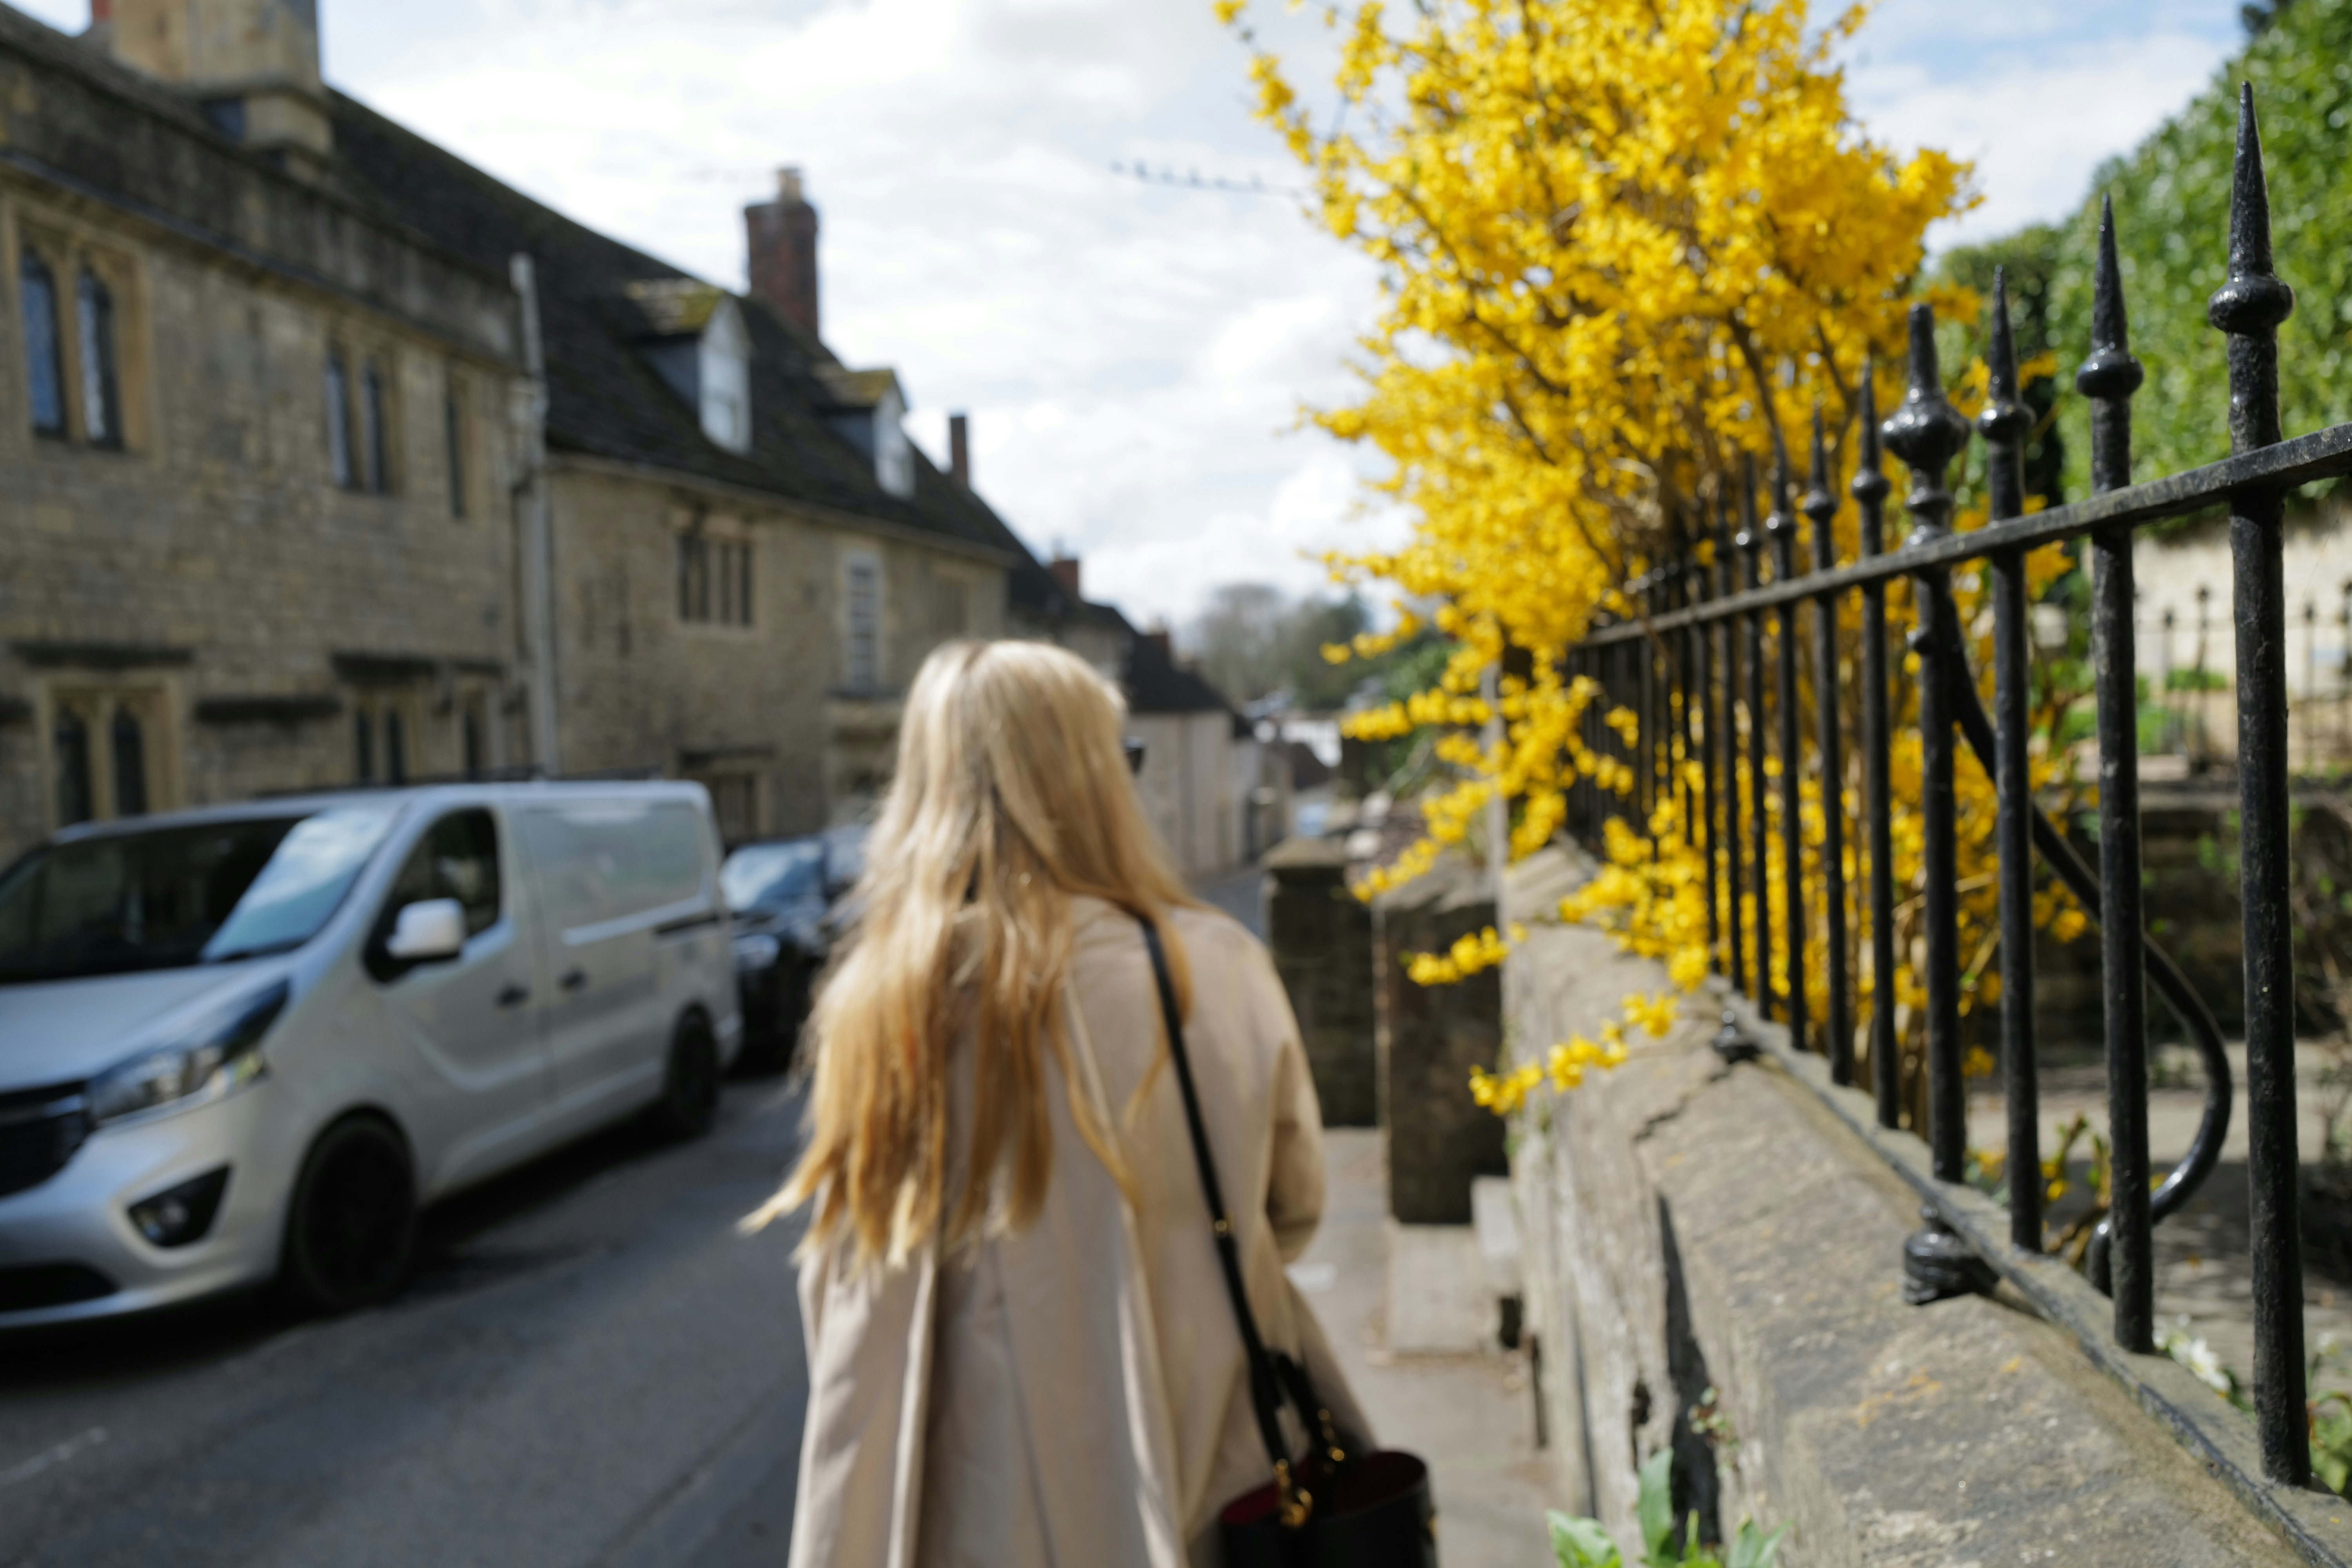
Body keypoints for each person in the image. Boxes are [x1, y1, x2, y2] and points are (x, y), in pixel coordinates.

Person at [768, 639, 1369, 1568]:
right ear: (1097, 778)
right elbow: (1289, 1207)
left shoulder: (875, 1006)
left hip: (964, 1510)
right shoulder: (1211, 968)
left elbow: (846, 1288)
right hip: (1197, 1467)